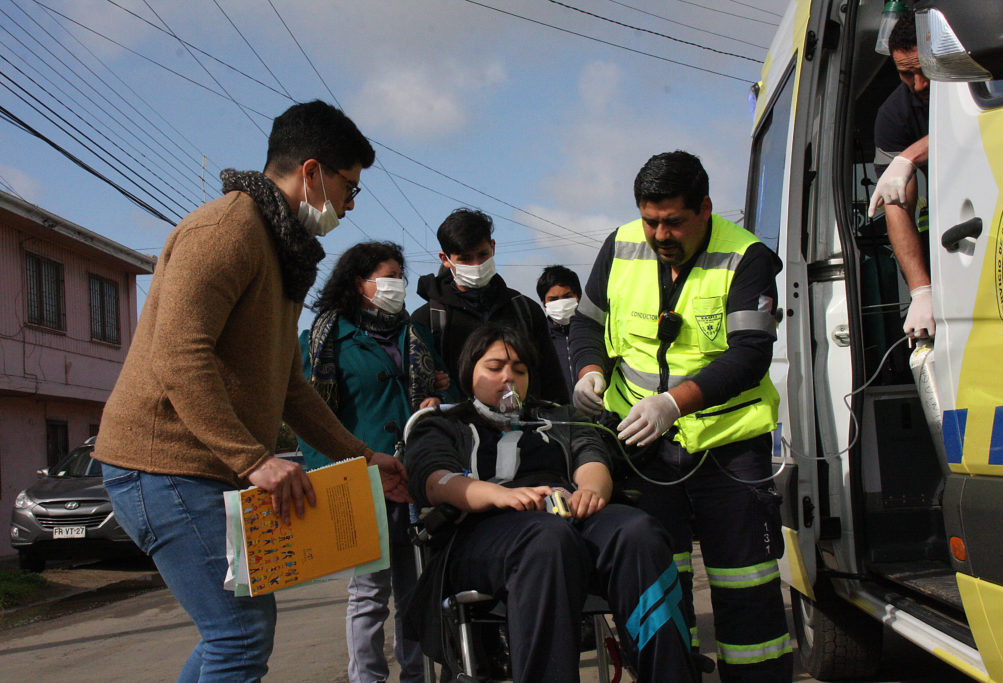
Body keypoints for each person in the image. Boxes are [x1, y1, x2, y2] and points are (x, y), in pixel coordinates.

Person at [93, 100, 410, 682]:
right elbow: (179, 355)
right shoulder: (225, 231)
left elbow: (290, 386)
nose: (350, 205)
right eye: (349, 187)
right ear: (311, 172)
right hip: (161, 466)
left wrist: (363, 457)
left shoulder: (284, 251)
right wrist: (255, 460)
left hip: (204, 469)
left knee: (231, 636)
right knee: (239, 634)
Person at [569, 151, 792, 681]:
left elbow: (750, 354)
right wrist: (589, 371)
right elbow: (586, 324)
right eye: (650, 221)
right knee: (659, 588)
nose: (660, 235)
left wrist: (673, 403)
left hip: (728, 449)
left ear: (705, 209)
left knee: (746, 585)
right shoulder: (620, 245)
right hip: (641, 449)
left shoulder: (747, 257)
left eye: (673, 222)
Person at [403, 323, 695, 683]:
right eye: (494, 367)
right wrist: (500, 495)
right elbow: (434, 480)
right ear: (468, 371)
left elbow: (592, 458)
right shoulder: (442, 423)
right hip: (483, 534)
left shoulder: (560, 417)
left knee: (637, 532)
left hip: (567, 515)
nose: (508, 378)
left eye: (520, 370)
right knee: (547, 539)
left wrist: (591, 491)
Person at [298, 240, 457, 683]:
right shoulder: (324, 339)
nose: (396, 286)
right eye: (387, 278)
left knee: (415, 590)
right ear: (358, 283)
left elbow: (447, 393)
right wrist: (337, 476)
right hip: (362, 481)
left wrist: (441, 390)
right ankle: (367, 678)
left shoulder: (415, 334)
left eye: (399, 277)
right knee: (368, 595)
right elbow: (309, 419)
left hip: (417, 479)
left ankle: (417, 675)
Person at [411, 208, 568, 403]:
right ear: (445, 259)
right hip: (456, 420)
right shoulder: (427, 320)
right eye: (465, 259)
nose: (476, 265)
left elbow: (552, 383)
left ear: (493, 247)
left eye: (482, 254)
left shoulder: (525, 310)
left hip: (525, 420)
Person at [869, 10, 933, 339]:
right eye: (907, 74)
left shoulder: (977, 79)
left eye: (925, 69)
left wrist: (910, 156)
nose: (919, 84)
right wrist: (921, 290)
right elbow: (895, 202)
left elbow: (979, 127)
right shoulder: (893, 116)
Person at [536, 265, 582, 395]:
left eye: (567, 297)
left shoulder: (593, 332)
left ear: (578, 297)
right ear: (544, 303)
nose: (561, 304)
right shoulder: (538, 338)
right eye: (553, 299)